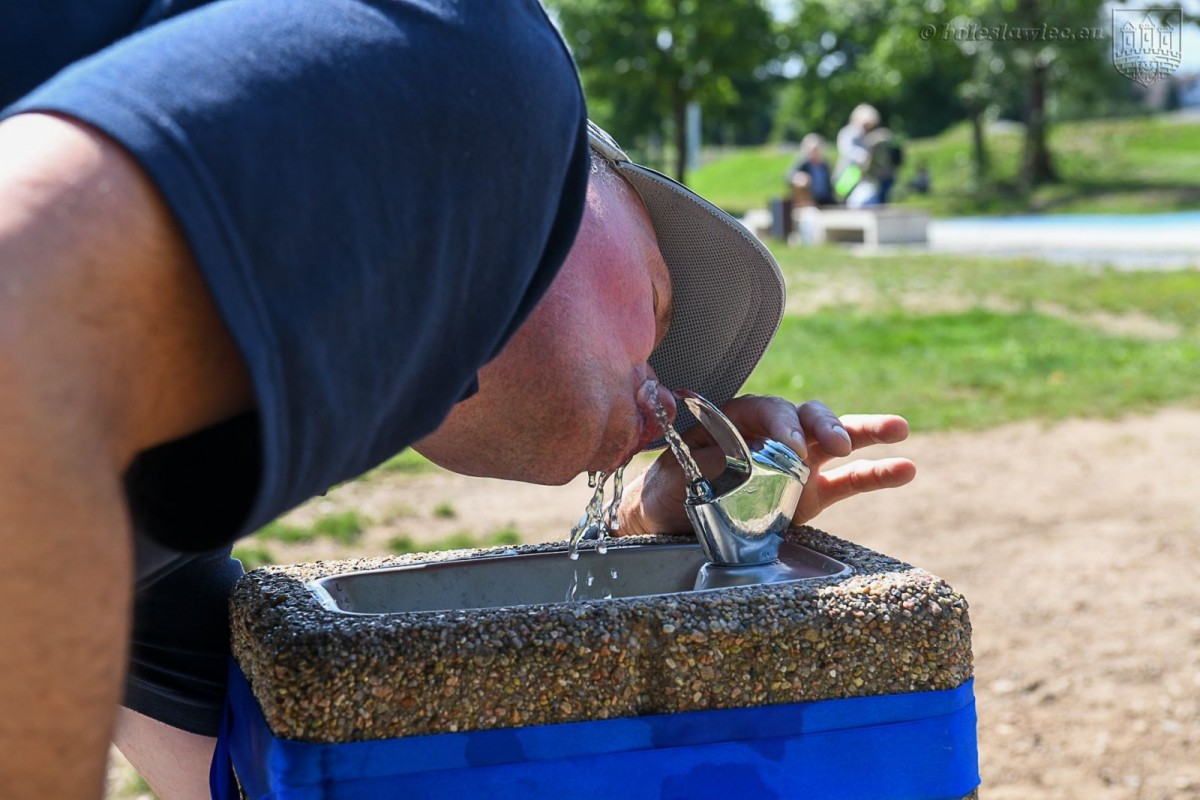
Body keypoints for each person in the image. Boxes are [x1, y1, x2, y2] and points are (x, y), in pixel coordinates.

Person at [0, 3, 916, 798]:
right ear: (580, 184)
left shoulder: (144, 515)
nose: (670, 400)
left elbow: (270, 778)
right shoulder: (484, 66)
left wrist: (658, 559)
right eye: (659, 300)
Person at [833, 103, 881, 202]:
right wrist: (862, 155)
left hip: (858, 174)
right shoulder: (848, 132)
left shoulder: (865, 135)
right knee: (843, 200)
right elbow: (845, 149)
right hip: (847, 173)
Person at [786, 133, 835, 208]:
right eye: (813, 150)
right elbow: (789, 175)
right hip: (810, 201)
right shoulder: (802, 163)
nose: (815, 153)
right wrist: (799, 177)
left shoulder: (825, 165)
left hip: (826, 199)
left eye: (817, 149)